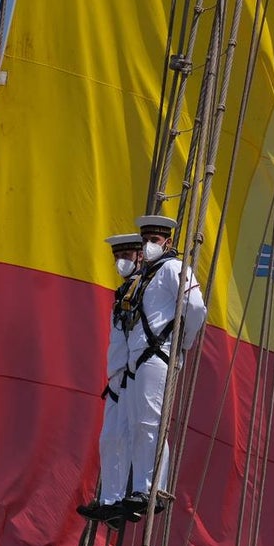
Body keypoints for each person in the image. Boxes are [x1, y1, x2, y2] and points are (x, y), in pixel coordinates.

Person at [119, 214, 207, 517]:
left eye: (154, 240)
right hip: (138, 357)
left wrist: (185, 342)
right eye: (145, 240)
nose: (148, 245)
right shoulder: (147, 275)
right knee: (136, 425)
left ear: (167, 243)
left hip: (158, 354)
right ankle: (138, 488)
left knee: (149, 424)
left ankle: (150, 488)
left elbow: (195, 307)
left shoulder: (172, 268)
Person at [77, 233, 143, 525]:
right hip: (117, 376)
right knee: (110, 439)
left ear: (139, 257)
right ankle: (111, 501)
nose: (120, 263)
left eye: (126, 257)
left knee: (146, 430)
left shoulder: (147, 288)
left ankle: (146, 489)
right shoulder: (123, 292)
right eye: (118, 258)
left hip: (138, 369)